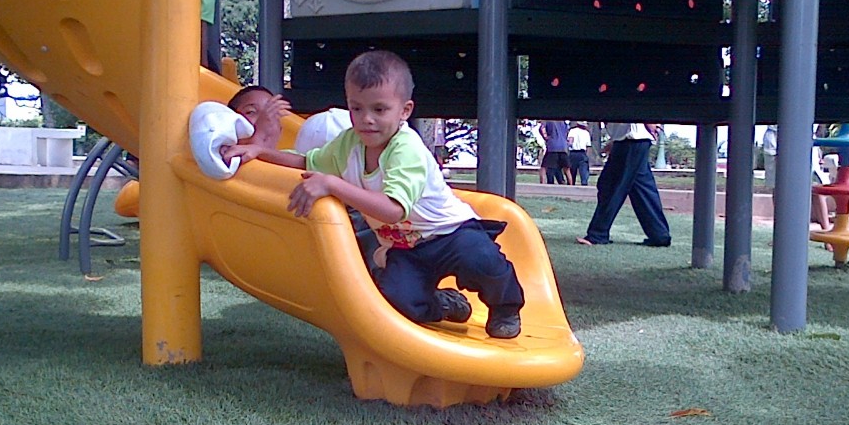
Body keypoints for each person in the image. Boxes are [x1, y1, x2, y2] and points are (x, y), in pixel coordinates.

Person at [222, 49, 525, 338]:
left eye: (379, 109)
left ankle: (506, 308)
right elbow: (306, 162)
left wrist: (332, 184)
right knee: (393, 300)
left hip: (450, 234)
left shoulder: (406, 149)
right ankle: (442, 304)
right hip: (406, 248)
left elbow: (393, 210)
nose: (366, 119)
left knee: (482, 260)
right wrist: (260, 152)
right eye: (357, 108)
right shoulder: (349, 143)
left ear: (405, 111)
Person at [575, 122, 671, 247]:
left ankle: (598, 234)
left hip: (631, 139)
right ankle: (659, 235)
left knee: (612, 187)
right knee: (641, 189)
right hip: (630, 140)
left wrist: (650, 122)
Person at [538, 120, 569, 185]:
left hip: (552, 146)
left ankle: (542, 184)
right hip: (563, 147)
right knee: (566, 169)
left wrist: (546, 137)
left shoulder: (547, 120)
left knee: (544, 167)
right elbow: (567, 132)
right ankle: (570, 185)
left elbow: (542, 128)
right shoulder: (563, 122)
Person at [566, 122, 592, 186]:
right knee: (584, 171)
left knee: (572, 171)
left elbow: (570, 142)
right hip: (582, 153)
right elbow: (588, 146)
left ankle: (571, 185)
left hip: (573, 153)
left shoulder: (572, 131)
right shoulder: (586, 133)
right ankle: (584, 185)